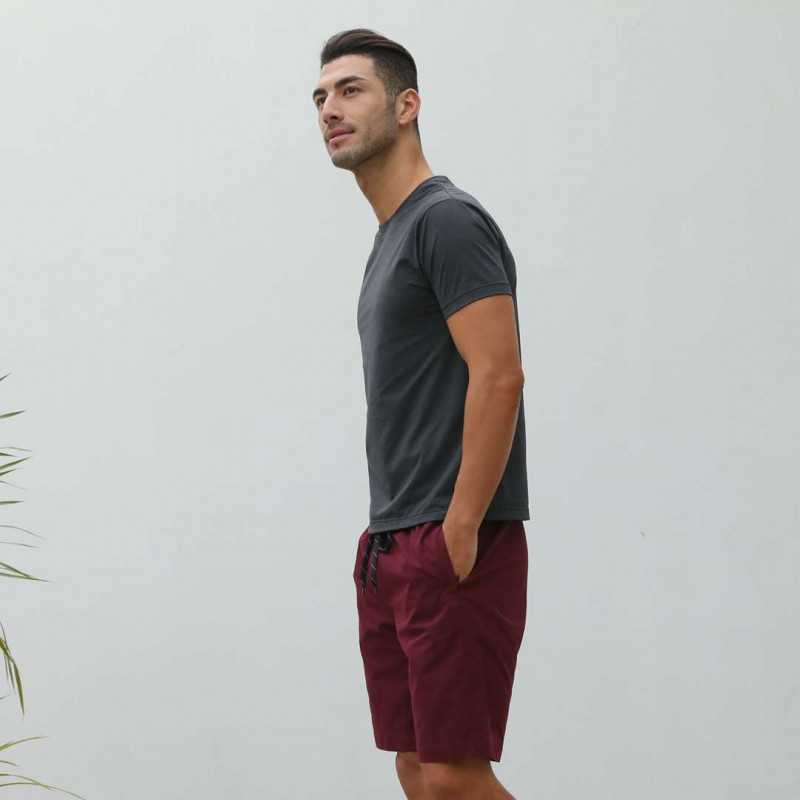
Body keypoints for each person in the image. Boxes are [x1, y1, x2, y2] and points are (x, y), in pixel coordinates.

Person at [313, 28, 530, 800]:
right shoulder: (393, 235)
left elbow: (500, 375)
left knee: (454, 776)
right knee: (414, 765)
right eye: (320, 96)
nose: (329, 108)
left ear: (407, 106)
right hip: (394, 537)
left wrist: (459, 529)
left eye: (351, 90)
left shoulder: (446, 220)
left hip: (450, 536)